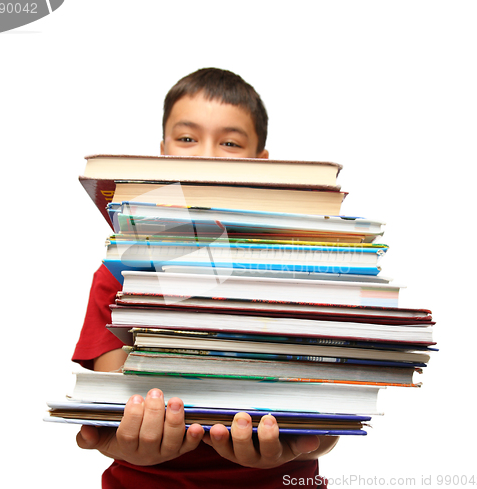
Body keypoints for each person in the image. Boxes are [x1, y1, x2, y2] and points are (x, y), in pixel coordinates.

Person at [73, 68, 338, 488]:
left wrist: (308, 444)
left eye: (230, 143)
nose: (206, 156)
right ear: (162, 153)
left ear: (262, 164)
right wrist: (119, 443)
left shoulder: (306, 269)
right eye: (187, 139)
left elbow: (326, 414)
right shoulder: (117, 273)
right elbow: (111, 398)